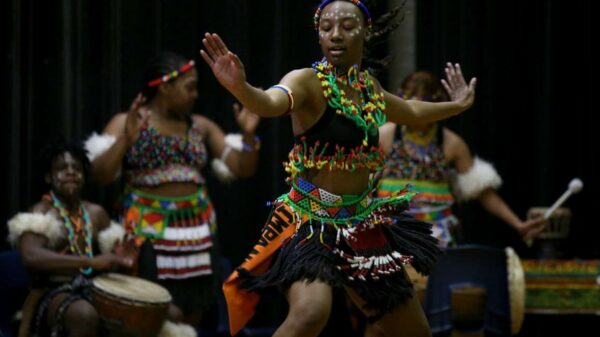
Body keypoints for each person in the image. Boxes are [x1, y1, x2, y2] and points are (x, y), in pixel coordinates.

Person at [200, 1, 476, 336]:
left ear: (366, 32)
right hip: (309, 222)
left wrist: (458, 104)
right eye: (326, 27)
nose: (335, 35)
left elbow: (412, 111)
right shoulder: (306, 82)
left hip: (361, 223)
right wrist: (241, 88)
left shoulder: (368, 89)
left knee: (414, 330)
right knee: (311, 313)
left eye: (347, 26)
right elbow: (269, 103)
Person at [85, 51, 260, 326]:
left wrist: (249, 135)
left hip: (197, 231)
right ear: (165, 87)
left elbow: (243, 168)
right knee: (148, 310)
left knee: (192, 312)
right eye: (189, 87)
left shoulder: (200, 126)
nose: (195, 94)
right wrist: (125, 141)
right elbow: (98, 176)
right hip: (146, 232)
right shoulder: (127, 121)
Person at [377, 70, 546, 249]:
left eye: (420, 106)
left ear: (434, 107)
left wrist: (517, 224)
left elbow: (482, 192)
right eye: (408, 104)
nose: (414, 111)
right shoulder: (385, 135)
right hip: (391, 229)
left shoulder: (452, 143)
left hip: (437, 233)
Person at [7, 141, 134, 337]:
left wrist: (121, 257)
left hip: (94, 289)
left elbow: (116, 259)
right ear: (49, 177)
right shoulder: (42, 212)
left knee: (165, 313)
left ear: (84, 177)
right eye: (62, 168)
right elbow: (31, 257)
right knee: (84, 315)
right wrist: (89, 261)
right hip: (51, 292)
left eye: (77, 168)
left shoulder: (96, 213)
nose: (71, 172)